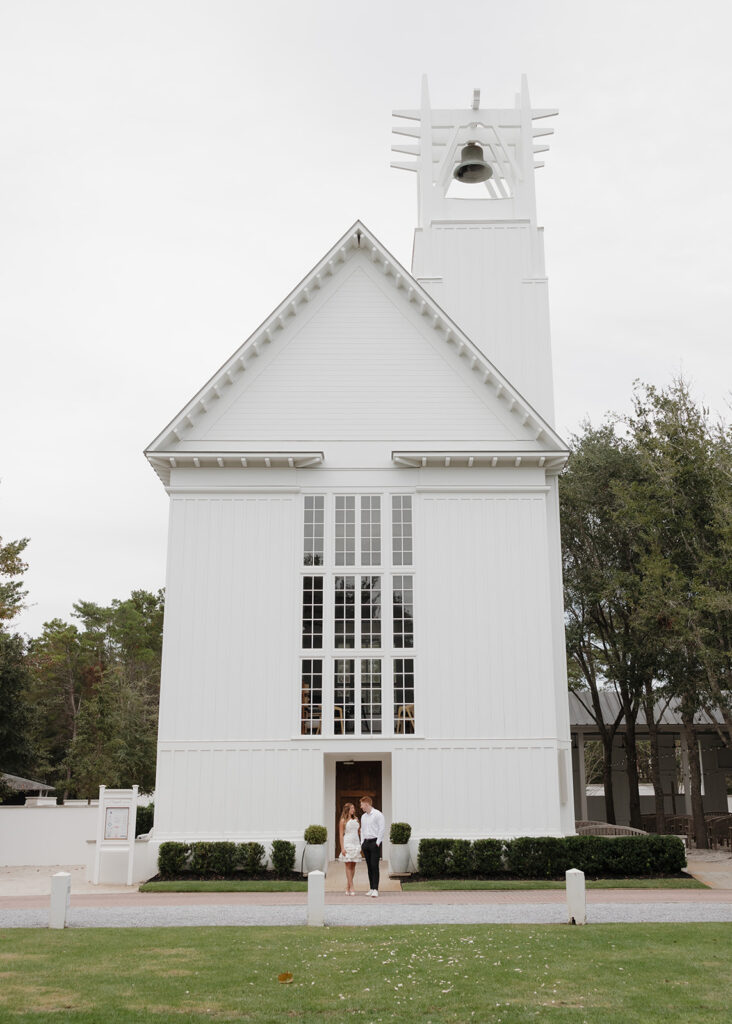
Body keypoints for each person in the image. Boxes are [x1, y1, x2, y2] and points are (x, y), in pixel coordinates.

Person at [359, 795, 385, 897]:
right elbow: (362, 830)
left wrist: (377, 843)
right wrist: (362, 843)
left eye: (362, 804)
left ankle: (376, 889)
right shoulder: (363, 817)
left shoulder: (378, 814)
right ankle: (371, 888)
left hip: (375, 843)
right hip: (366, 843)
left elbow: (381, 829)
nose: (361, 807)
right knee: (369, 867)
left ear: (367, 804)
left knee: (375, 866)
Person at [338, 802, 361, 895]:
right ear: (347, 810)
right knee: (348, 864)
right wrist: (342, 848)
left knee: (353, 865)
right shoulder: (343, 821)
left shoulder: (356, 819)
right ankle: (352, 886)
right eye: (352, 808)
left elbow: (359, 831)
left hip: (356, 842)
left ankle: (348, 886)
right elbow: (340, 835)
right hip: (347, 843)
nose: (354, 810)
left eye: (353, 808)